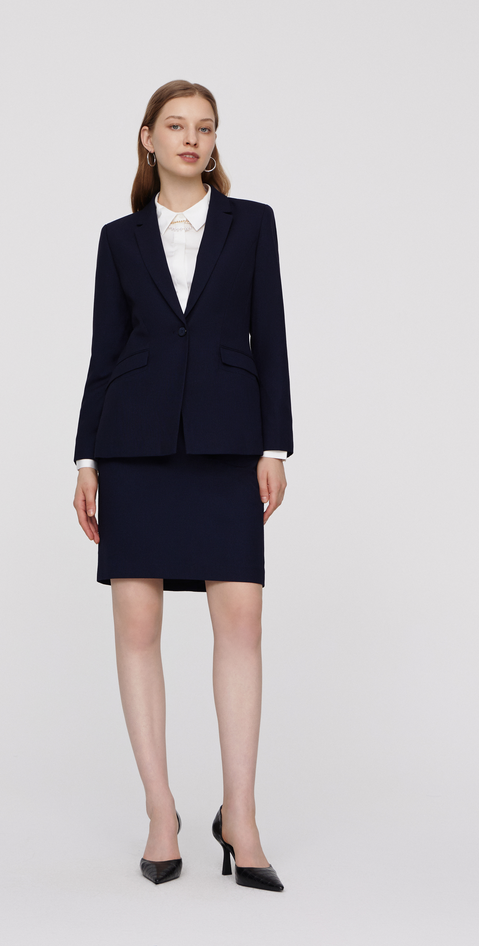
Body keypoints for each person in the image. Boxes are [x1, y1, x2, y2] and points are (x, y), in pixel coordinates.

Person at [71, 80, 293, 891]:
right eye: (176, 126)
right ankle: (160, 814)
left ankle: (242, 818)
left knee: (242, 620)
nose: (191, 138)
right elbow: (104, 351)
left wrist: (274, 445)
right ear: (148, 139)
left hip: (228, 442)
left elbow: (270, 336)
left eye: (204, 127)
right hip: (133, 445)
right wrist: (86, 460)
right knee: (137, 622)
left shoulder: (252, 224)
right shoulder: (119, 239)